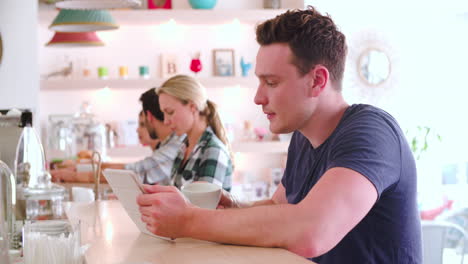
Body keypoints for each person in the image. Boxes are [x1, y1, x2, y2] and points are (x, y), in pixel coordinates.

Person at [136, 6, 422, 263]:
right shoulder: (302, 136)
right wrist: (234, 207)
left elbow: (312, 230)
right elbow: (279, 206)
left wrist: (187, 220)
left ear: (317, 81)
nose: (258, 98)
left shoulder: (372, 132)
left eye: (271, 82)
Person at [51, 88, 184, 185]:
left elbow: (133, 173)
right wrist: (84, 168)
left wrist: (75, 175)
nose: (138, 130)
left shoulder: (177, 144)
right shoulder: (170, 143)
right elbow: (133, 168)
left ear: (148, 115)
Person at [156, 74, 233, 191]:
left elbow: (205, 207)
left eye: (170, 112)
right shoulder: (183, 147)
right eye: (164, 113)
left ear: (192, 107)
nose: (166, 121)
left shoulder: (213, 151)